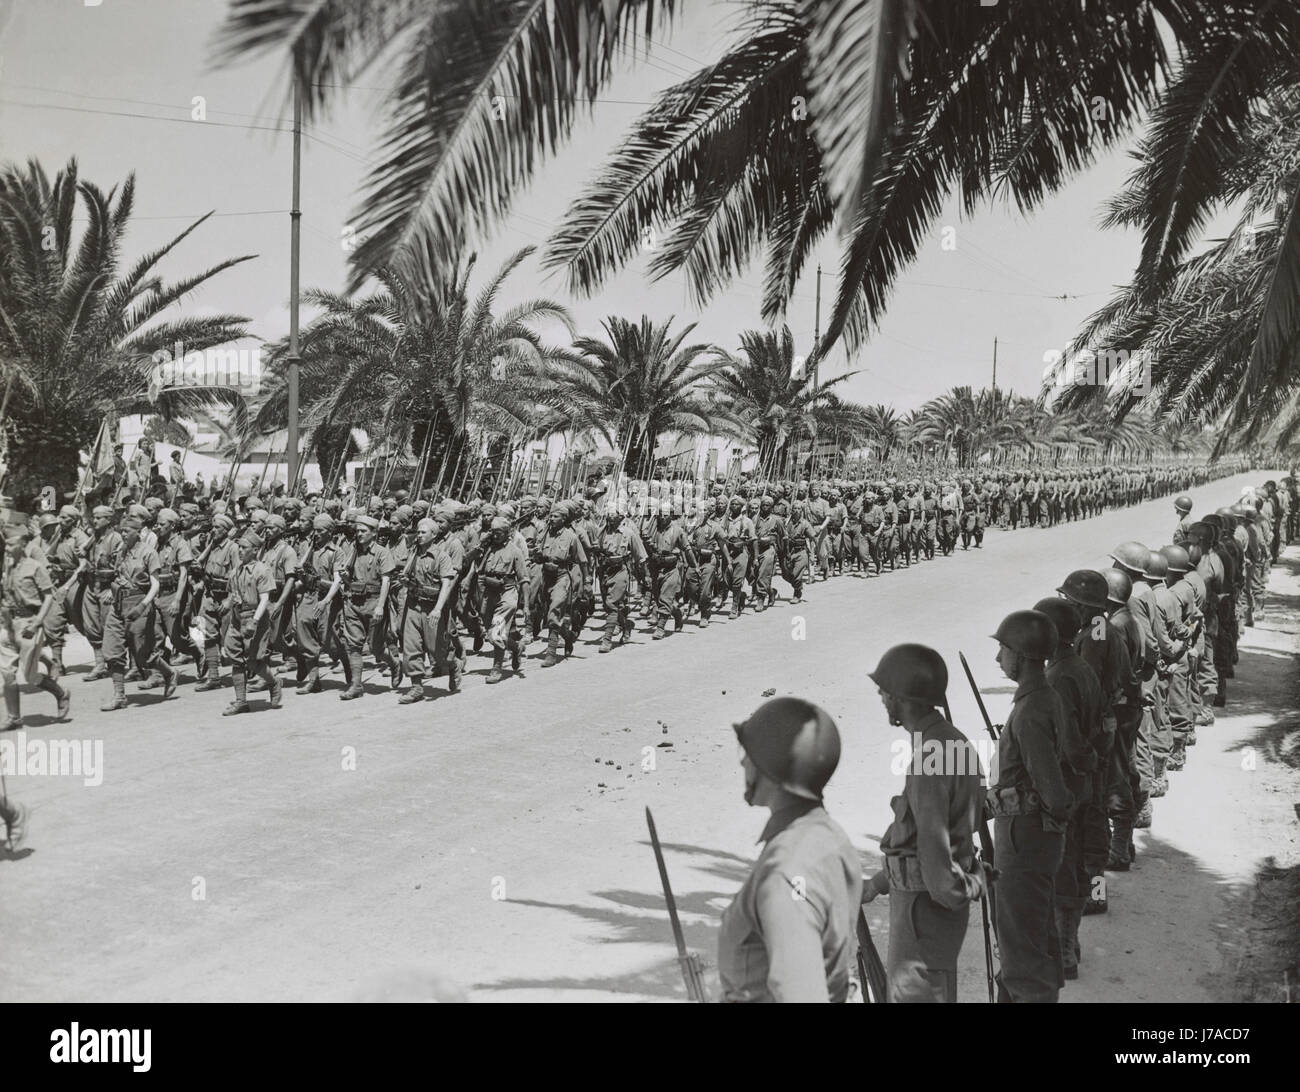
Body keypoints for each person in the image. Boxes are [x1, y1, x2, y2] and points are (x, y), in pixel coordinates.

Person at [862, 644, 986, 1002]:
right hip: (929, 913)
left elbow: (934, 855)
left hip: (923, 915)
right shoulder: (954, 742)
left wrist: (964, 890)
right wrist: (878, 884)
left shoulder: (929, 759)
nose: (882, 697)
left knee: (916, 995)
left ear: (902, 697)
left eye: (885, 691)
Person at [718, 697, 861, 1002]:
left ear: (772, 768)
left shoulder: (787, 873)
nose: (742, 762)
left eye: (749, 754)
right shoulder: (831, 838)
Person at [989, 609, 1073, 1003]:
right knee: (1033, 933)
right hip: (1030, 836)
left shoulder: (1030, 713)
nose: (997, 658)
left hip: (1024, 840)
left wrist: (1015, 800)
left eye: (1002, 649)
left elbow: (1054, 794)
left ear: (1021, 655)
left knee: (1022, 942)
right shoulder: (1043, 697)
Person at [1, 529, 71, 729]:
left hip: (29, 622)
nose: (7, 548)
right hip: (8, 624)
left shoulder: (35, 567)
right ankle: (14, 717)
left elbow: (49, 595)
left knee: (30, 676)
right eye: (6, 545)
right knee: (7, 673)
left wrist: (38, 621)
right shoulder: (8, 568)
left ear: (22, 545)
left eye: (11, 544)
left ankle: (61, 693)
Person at [221, 531, 282, 715]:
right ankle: (241, 701)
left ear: (255, 550)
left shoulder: (262, 570)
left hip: (256, 618)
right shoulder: (236, 570)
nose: (240, 551)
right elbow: (234, 594)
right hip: (237, 618)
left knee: (254, 662)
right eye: (239, 547)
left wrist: (254, 622)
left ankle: (274, 682)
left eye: (244, 547)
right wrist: (227, 604)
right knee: (236, 660)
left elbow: (264, 599)